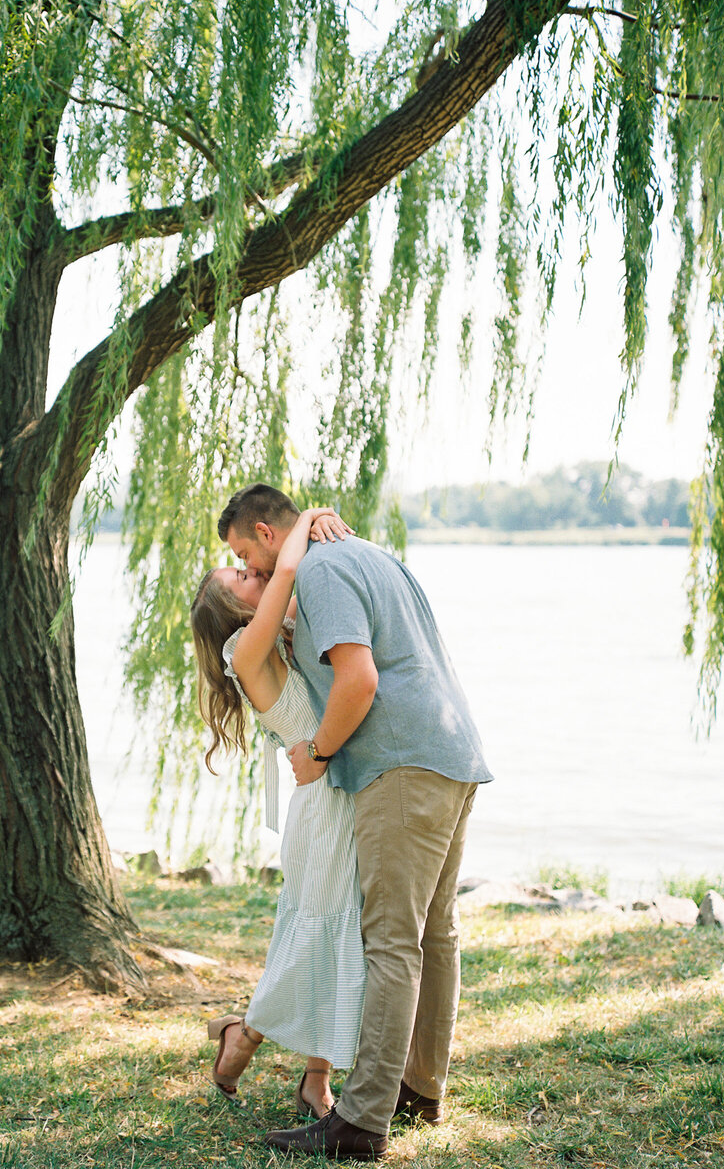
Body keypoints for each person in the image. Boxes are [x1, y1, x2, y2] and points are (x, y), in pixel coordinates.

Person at [217, 483, 492, 1162]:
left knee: (393, 941)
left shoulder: (320, 570)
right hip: (452, 749)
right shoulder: (371, 554)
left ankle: (363, 1120)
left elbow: (359, 680)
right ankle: (421, 1088)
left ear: (267, 533)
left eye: (246, 554)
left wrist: (316, 751)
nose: (250, 570)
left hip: (397, 764)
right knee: (435, 933)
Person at [190, 505, 365, 1121]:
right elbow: (287, 569)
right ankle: (243, 1034)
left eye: (244, 565)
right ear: (229, 610)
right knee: (310, 940)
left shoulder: (282, 633)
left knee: (341, 940)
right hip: (321, 805)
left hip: (342, 788)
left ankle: (316, 1082)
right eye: (238, 577)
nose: (251, 572)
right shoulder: (244, 648)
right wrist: (310, 517)